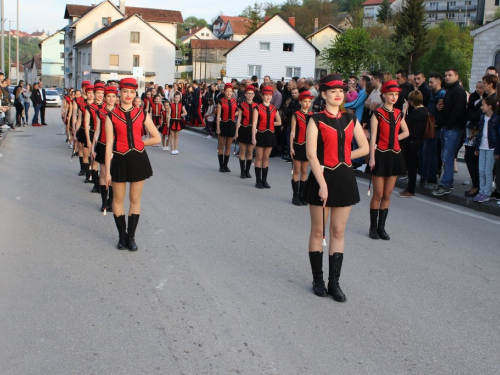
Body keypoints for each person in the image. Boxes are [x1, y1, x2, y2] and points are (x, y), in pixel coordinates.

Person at [303, 74, 369, 302]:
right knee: (318, 231)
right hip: (321, 177)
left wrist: (344, 157)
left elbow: (365, 147)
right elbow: (311, 153)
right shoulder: (316, 119)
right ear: (323, 94)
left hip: (344, 177)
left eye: (341, 90)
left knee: (338, 232)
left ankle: (334, 283)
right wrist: (321, 183)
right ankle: (318, 280)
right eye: (332, 91)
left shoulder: (351, 118)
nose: (338, 94)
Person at [104, 78, 161, 251]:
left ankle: (131, 237)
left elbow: (156, 137)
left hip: (138, 159)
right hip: (119, 159)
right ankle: (121, 236)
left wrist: (141, 143)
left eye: (132, 92)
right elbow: (108, 145)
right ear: (119, 93)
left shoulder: (142, 114)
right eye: (125, 91)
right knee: (118, 199)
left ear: (135, 93)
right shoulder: (111, 116)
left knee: (135, 199)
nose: (128, 95)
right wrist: (107, 172)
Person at [368, 80, 410, 240]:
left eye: (396, 94)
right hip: (380, 155)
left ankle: (381, 228)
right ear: (383, 95)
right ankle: (372, 227)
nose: (394, 97)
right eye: (391, 94)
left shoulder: (399, 113)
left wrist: (395, 140)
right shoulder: (377, 113)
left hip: (395, 156)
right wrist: (371, 158)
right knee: (378, 194)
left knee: (387, 194)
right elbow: (372, 138)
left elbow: (406, 132)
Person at [433, 68, 467, 196]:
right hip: (446, 127)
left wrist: (448, 125)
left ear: (457, 76)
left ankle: (446, 184)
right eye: (446, 75)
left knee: (447, 157)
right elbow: (447, 109)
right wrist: (440, 108)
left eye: (450, 75)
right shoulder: (450, 91)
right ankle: (447, 182)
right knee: (445, 156)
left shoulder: (458, 91)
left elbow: (458, 111)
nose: (447, 77)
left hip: (452, 128)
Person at [398, 90, 428, 198]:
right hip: (416, 140)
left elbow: (403, 122)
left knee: (411, 166)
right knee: (411, 165)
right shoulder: (423, 110)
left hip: (412, 140)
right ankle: (410, 188)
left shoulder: (417, 112)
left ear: (411, 101)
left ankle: (410, 189)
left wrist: (404, 110)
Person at [93, 85, 117, 212]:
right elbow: (97, 131)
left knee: (112, 174)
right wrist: (93, 147)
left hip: (115, 146)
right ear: (105, 98)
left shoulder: (119, 112)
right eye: (108, 96)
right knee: (103, 173)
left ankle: (111, 202)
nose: (111, 99)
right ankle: (104, 202)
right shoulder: (100, 112)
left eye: (113, 96)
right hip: (102, 144)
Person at [252, 86, 282, 188]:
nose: (268, 97)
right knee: (259, 157)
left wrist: (270, 124)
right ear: (263, 95)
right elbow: (254, 123)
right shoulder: (258, 108)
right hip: (260, 134)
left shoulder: (274, 108)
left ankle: (264, 180)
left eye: (270, 95)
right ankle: (258, 180)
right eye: (266, 95)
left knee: (266, 158)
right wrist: (253, 137)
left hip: (270, 134)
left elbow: (279, 122)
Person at [420, 73, 446, 187]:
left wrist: (437, 122)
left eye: (431, 82)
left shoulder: (442, 94)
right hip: (430, 125)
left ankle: (425, 175)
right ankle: (431, 175)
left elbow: (440, 110)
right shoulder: (432, 93)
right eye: (429, 82)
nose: (429, 84)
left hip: (435, 126)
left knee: (427, 150)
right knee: (432, 151)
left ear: (438, 82)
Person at [473, 96, 499, 202]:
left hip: (491, 148)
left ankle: (487, 193)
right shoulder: (482, 117)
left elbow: (498, 136)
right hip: (482, 146)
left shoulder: (496, 118)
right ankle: (482, 191)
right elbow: (480, 133)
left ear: (489, 106)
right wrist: (477, 147)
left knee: (488, 171)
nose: (481, 107)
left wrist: (497, 151)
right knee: (481, 170)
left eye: (483, 105)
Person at [290, 91, 314, 205]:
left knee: (305, 170)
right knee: (297, 170)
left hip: (308, 147)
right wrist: (291, 147)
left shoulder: (312, 115)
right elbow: (292, 133)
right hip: (298, 145)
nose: (307, 104)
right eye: (305, 101)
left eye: (309, 102)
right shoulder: (296, 115)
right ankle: (295, 196)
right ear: (300, 102)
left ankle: (302, 195)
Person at [86, 82, 105, 193]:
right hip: (93, 134)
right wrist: (89, 140)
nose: (100, 95)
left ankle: (102, 183)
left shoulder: (106, 106)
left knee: (102, 162)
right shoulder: (90, 107)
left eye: (102, 93)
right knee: (94, 161)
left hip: (104, 136)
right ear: (94, 93)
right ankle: (95, 184)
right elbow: (87, 124)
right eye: (98, 93)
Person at [235, 86, 257, 178]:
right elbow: (239, 118)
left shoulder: (257, 106)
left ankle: (247, 171)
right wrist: (236, 132)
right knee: (242, 151)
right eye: (248, 93)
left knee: (250, 152)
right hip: (243, 129)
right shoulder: (242, 105)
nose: (250, 95)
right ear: (245, 94)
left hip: (252, 129)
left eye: (251, 94)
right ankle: (242, 171)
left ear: (254, 95)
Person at [216, 83, 238, 172]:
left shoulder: (235, 101)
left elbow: (239, 112)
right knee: (221, 145)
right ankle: (221, 165)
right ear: (224, 92)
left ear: (232, 92)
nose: (229, 93)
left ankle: (226, 165)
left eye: (230, 91)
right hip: (223, 124)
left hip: (231, 124)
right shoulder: (220, 101)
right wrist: (217, 128)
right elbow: (218, 116)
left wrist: (233, 114)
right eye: (227, 91)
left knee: (228, 145)